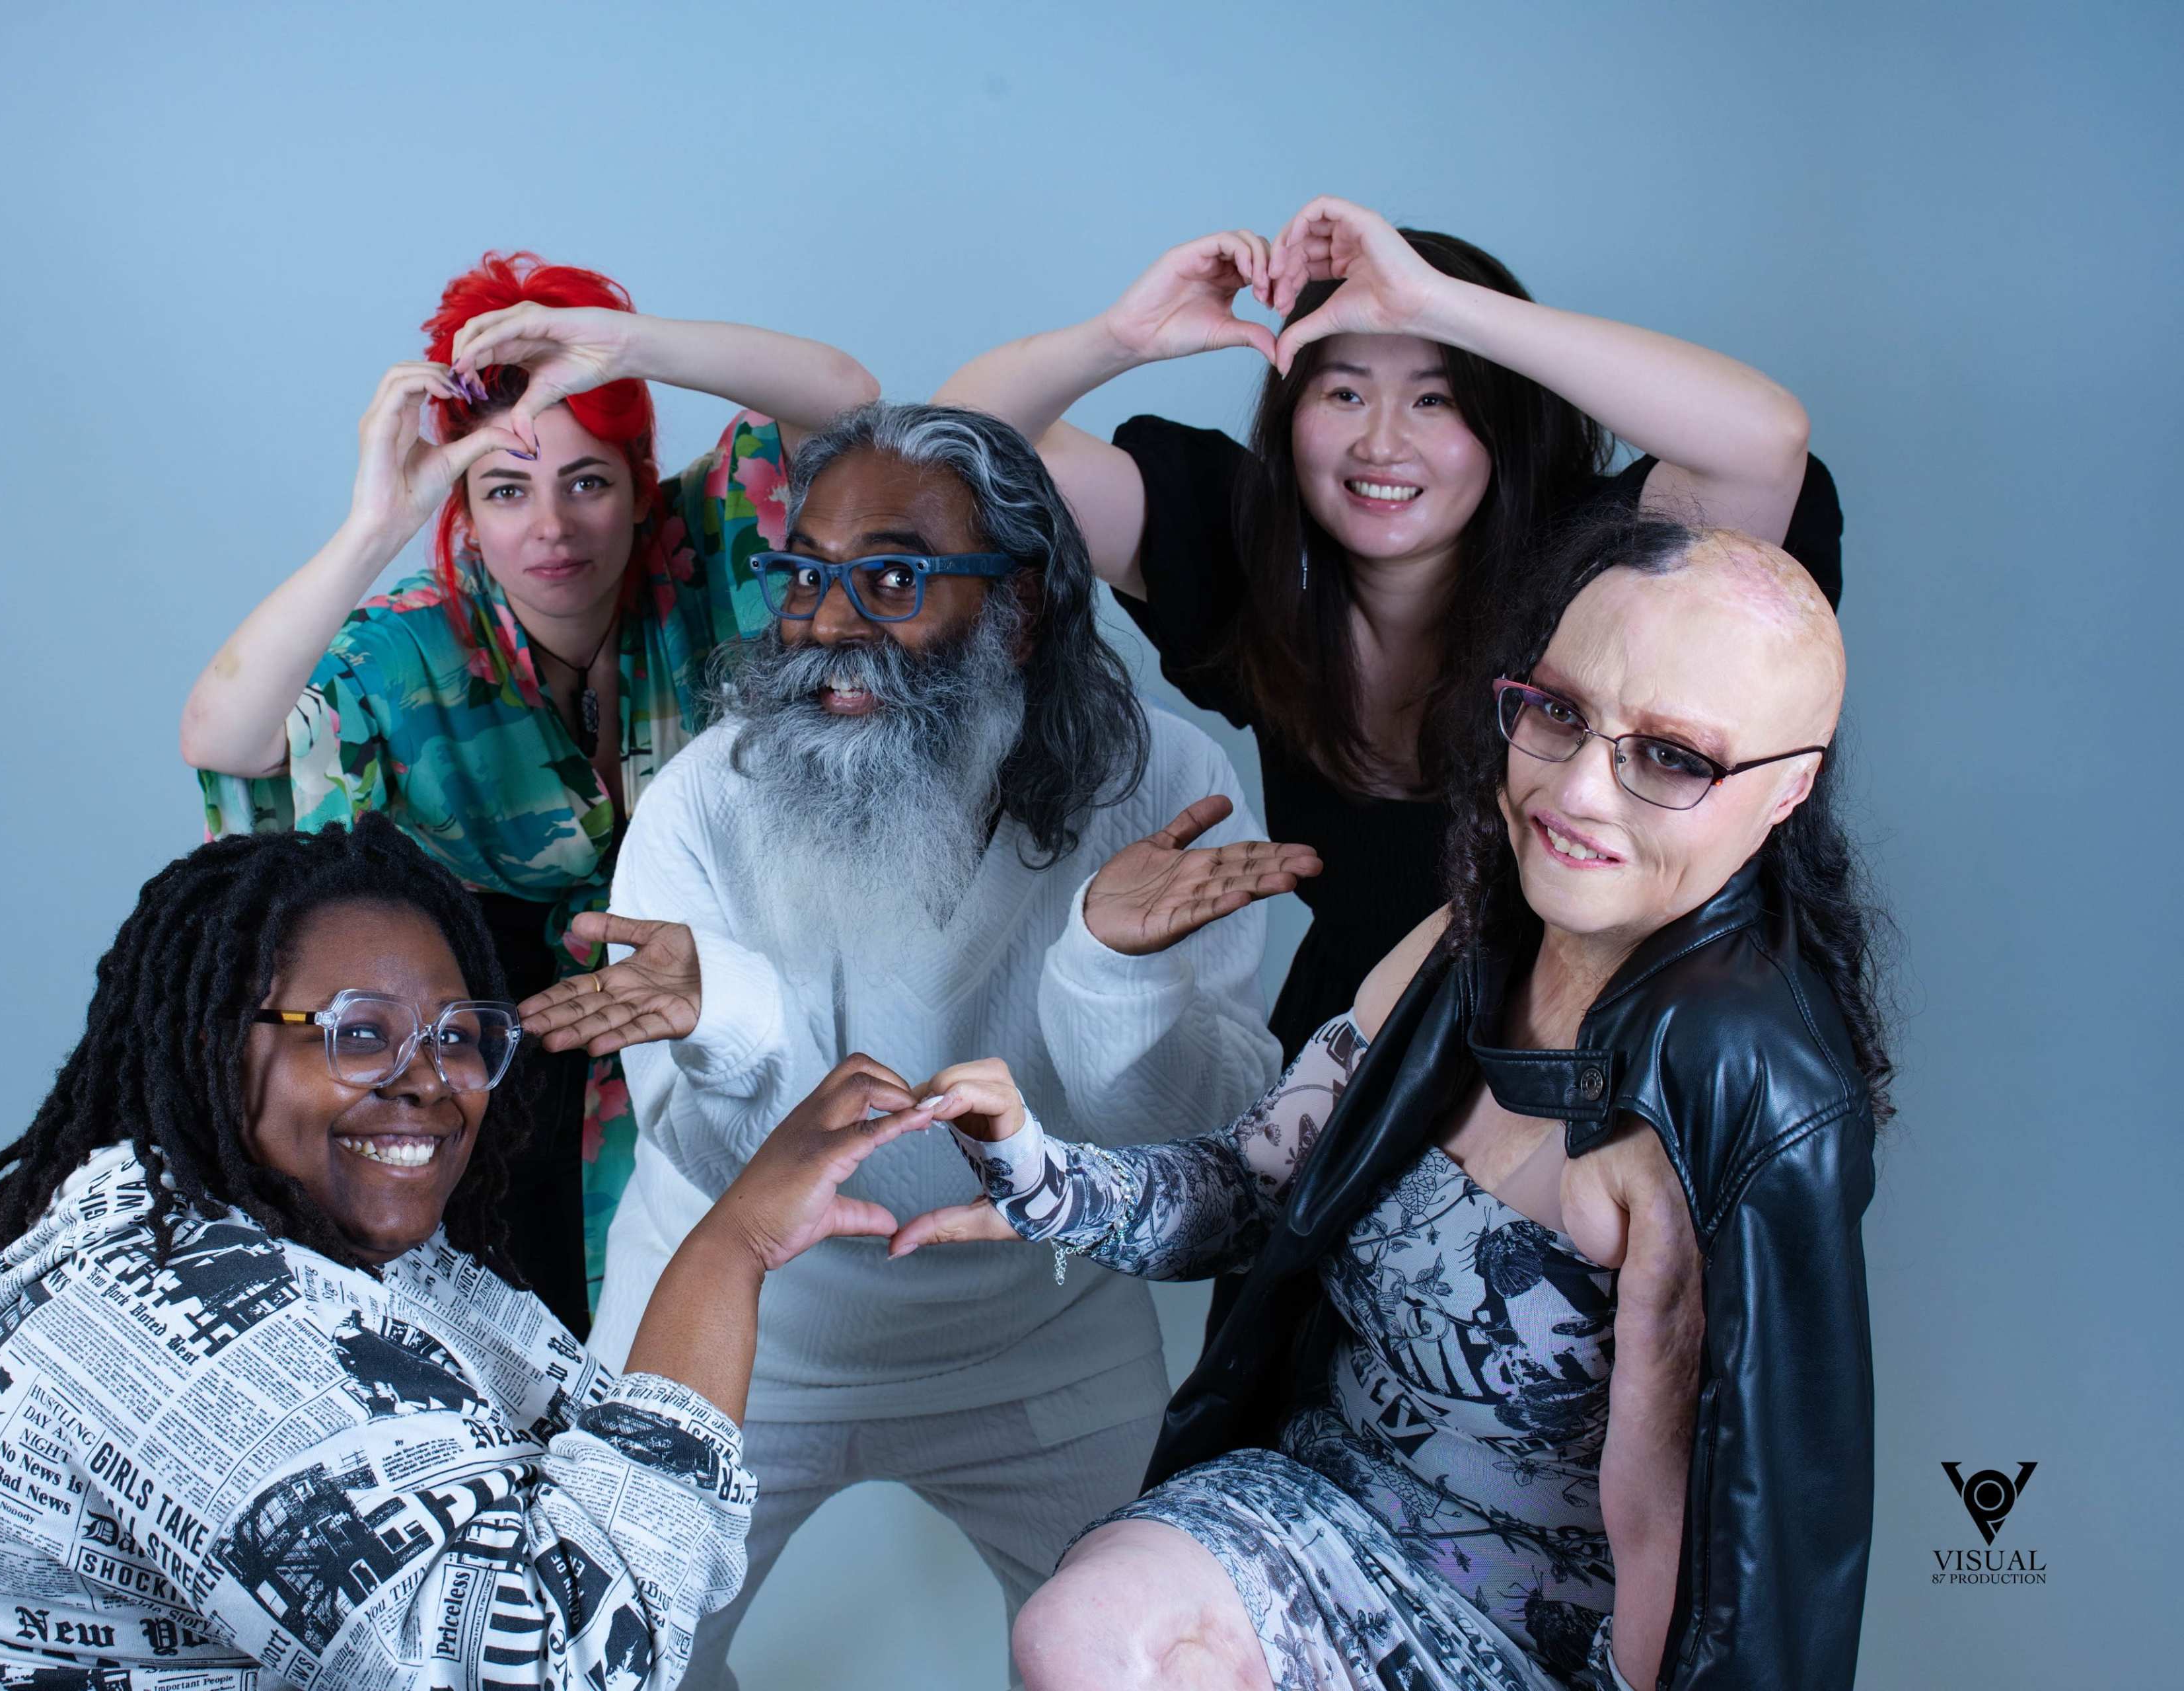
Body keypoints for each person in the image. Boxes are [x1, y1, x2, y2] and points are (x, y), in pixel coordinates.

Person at [896, 507, 1886, 1690]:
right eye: (1560, 712)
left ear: (1788, 793)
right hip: (1310, 1511)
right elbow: (1260, 1188)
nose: (1577, 791)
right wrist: (1041, 1173)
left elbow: (1674, 1532)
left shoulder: (1720, 1087)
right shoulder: (1465, 941)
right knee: (1090, 1637)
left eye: (1670, 756)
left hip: (1533, 1637)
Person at [518, 401, 1318, 1687]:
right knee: (597, 1663)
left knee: (1165, 1658)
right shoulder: (708, 802)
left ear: (1020, 605)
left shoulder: (1165, 785)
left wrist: (1114, 976)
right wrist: (728, 1007)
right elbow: (730, 1168)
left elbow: (1199, 1141)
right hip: (736, 1339)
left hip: (1040, 1347)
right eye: (806, 576)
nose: (830, 624)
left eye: (890, 577)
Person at [0, 811, 948, 1691]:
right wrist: (733, 1244)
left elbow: (579, 1498)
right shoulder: (177, 1325)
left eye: (459, 1037)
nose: (426, 1078)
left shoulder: (341, 1256)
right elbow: (555, 1671)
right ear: (210, 1043)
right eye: (359, 1033)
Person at [935, 196, 1845, 1063]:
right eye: (1343, 395)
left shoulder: (1604, 577)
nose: (1380, 444)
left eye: (1435, 400)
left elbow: (1764, 441)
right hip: (1349, 1051)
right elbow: (956, 451)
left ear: (1501, 425)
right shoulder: (1237, 545)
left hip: (1596, 1052)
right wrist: (1119, 338)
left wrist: (1438, 304)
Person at [181, 251, 879, 1335]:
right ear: (461, 509)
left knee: (768, 1346)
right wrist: (376, 521)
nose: (549, 529)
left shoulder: (706, 544)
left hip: (732, 1014)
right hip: (507, 1073)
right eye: (504, 491)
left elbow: (847, 402)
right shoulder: (409, 647)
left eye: (586, 482)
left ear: (640, 485)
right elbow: (226, 738)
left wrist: (627, 346)